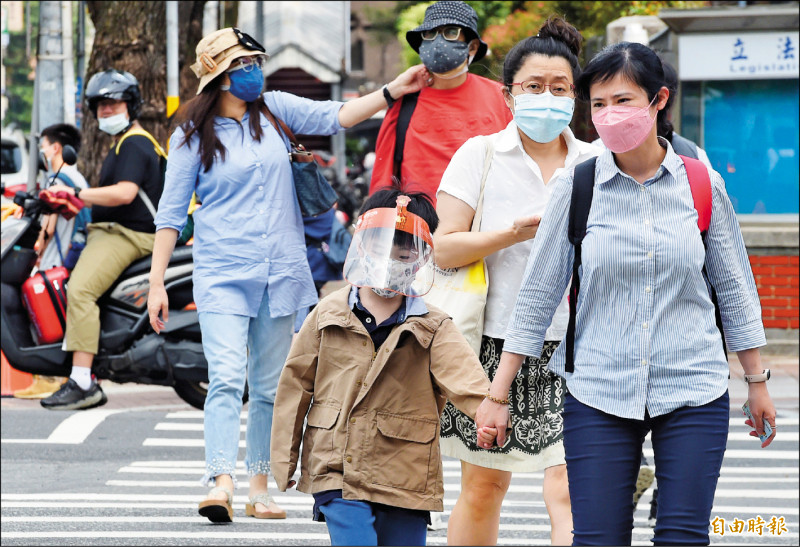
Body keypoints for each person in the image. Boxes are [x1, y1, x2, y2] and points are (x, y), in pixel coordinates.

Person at [476, 41, 777, 546]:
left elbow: (735, 291)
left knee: (683, 536)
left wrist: (757, 382)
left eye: (623, 100)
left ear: (659, 101)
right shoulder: (577, 187)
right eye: (597, 104)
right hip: (598, 389)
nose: (609, 114)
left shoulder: (702, 185)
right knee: (596, 538)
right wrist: (497, 395)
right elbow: (537, 297)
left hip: (694, 387)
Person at [146, 27, 430, 523]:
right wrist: (156, 282)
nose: (252, 72)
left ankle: (259, 487)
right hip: (222, 271)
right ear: (218, 77)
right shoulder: (191, 135)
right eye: (241, 66)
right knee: (227, 377)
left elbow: (335, 116)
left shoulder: (273, 111)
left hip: (280, 271)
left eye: (254, 62)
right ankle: (220, 481)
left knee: (268, 383)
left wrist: (391, 90)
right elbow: (171, 214)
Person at [434, 18, 600, 546]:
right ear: (509, 95)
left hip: (581, 348)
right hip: (492, 345)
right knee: (485, 487)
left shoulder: (597, 163)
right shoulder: (478, 156)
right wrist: (510, 234)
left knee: (573, 488)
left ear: (575, 97)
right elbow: (444, 247)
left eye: (559, 88)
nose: (546, 98)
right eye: (533, 87)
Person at [270, 188, 498, 546]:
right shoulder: (328, 314)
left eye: (405, 252)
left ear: (422, 259)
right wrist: (284, 460)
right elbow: (295, 385)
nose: (391, 261)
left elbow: (465, 378)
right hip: (337, 464)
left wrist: (488, 413)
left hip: (405, 469)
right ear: (361, 245)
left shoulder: (433, 325)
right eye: (381, 247)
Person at [41, 69, 164, 411]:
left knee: (79, 290)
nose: (106, 112)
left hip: (128, 235)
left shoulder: (135, 143)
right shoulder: (124, 144)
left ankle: (82, 381)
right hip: (117, 233)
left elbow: (125, 194)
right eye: (100, 106)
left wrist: (77, 191)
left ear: (131, 105)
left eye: (113, 104)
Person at [369, 0, 513, 203]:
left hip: (483, 227)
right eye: (429, 34)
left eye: (450, 32)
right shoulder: (405, 100)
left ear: (472, 47)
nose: (438, 42)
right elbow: (383, 178)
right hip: (418, 226)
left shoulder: (501, 97)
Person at [12, 124, 88, 400]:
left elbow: (51, 224)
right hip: (76, 254)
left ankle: (48, 376)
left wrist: (38, 248)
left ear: (55, 147)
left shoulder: (59, 179)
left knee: (45, 312)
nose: (42, 150)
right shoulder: (77, 175)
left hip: (58, 255)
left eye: (44, 145)